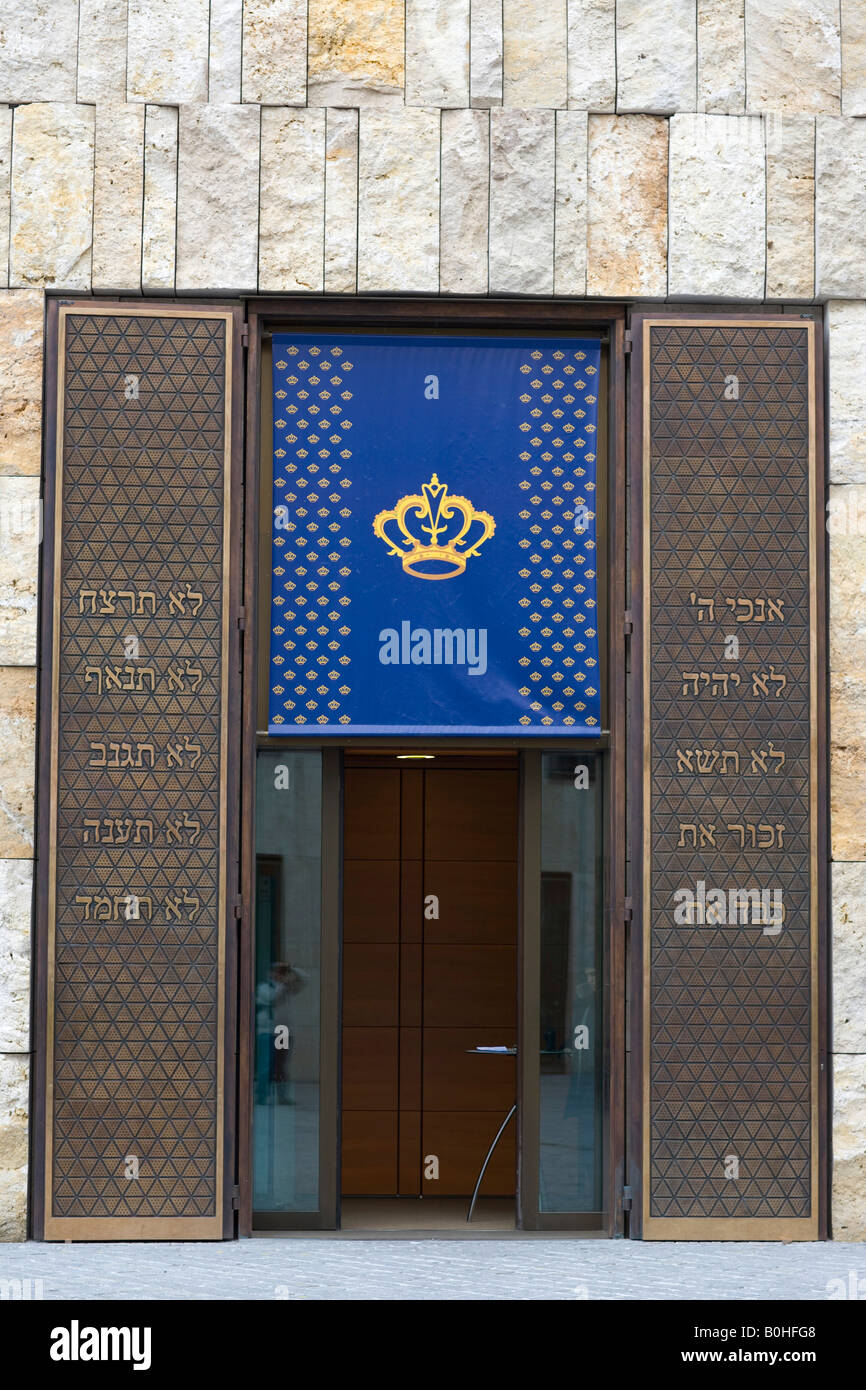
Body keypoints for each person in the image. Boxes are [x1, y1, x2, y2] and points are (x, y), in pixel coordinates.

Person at [255, 962, 306, 1103]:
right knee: (265, 1065)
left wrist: (292, 968)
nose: (278, 975)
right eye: (276, 972)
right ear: (270, 974)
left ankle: (282, 1097)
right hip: (267, 1031)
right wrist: (283, 984)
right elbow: (272, 999)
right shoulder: (264, 988)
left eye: (280, 972)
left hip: (282, 1031)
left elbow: (304, 980)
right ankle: (262, 1096)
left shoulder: (287, 987)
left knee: (281, 1065)